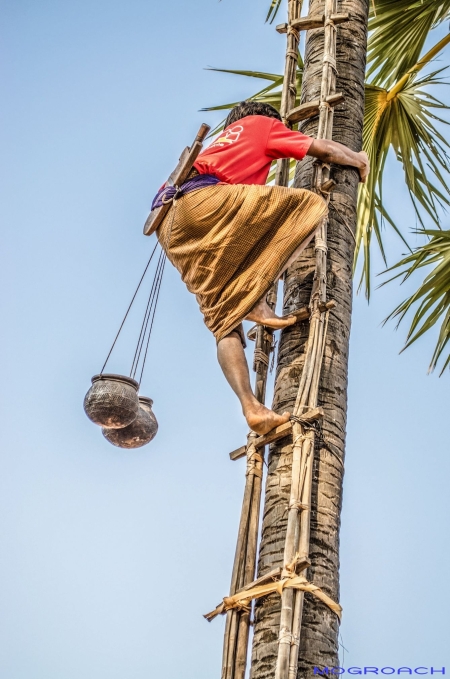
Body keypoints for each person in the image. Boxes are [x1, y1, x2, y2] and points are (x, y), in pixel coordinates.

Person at [152, 101, 369, 435]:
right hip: (204, 202)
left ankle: (251, 408)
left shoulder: (220, 143)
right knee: (308, 206)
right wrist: (358, 160)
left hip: (168, 224)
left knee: (223, 319)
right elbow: (321, 149)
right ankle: (255, 299)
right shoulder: (261, 126)